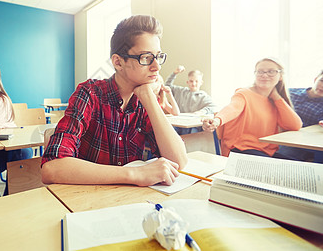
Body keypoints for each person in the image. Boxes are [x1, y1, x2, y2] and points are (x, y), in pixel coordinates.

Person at [41, 15, 188, 187]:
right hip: (84, 198)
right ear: (118, 62)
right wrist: (133, 174)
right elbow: (52, 168)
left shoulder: (144, 100)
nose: (157, 66)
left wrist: (149, 98)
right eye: (146, 58)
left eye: (158, 56)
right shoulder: (90, 93)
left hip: (126, 200)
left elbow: (179, 161)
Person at [202, 57, 302, 158]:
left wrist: (277, 98)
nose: (264, 75)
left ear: (280, 76)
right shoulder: (243, 93)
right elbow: (233, 108)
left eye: (271, 71)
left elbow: (295, 125)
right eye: (260, 71)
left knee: (299, 169)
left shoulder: (275, 102)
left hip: (265, 152)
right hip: (239, 150)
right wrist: (217, 121)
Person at [276, 70, 323, 161]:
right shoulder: (290, 93)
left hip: (303, 141)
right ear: (316, 79)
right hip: (278, 135)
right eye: (322, 81)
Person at [165, 66, 217, 134]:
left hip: (192, 126)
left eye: (196, 81)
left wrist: (201, 112)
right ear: (187, 82)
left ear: (201, 82)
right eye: (191, 81)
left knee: (190, 132)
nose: (193, 83)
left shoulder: (203, 96)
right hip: (179, 123)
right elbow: (167, 85)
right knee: (168, 130)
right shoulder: (181, 91)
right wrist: (175, 73)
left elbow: (213, 107)